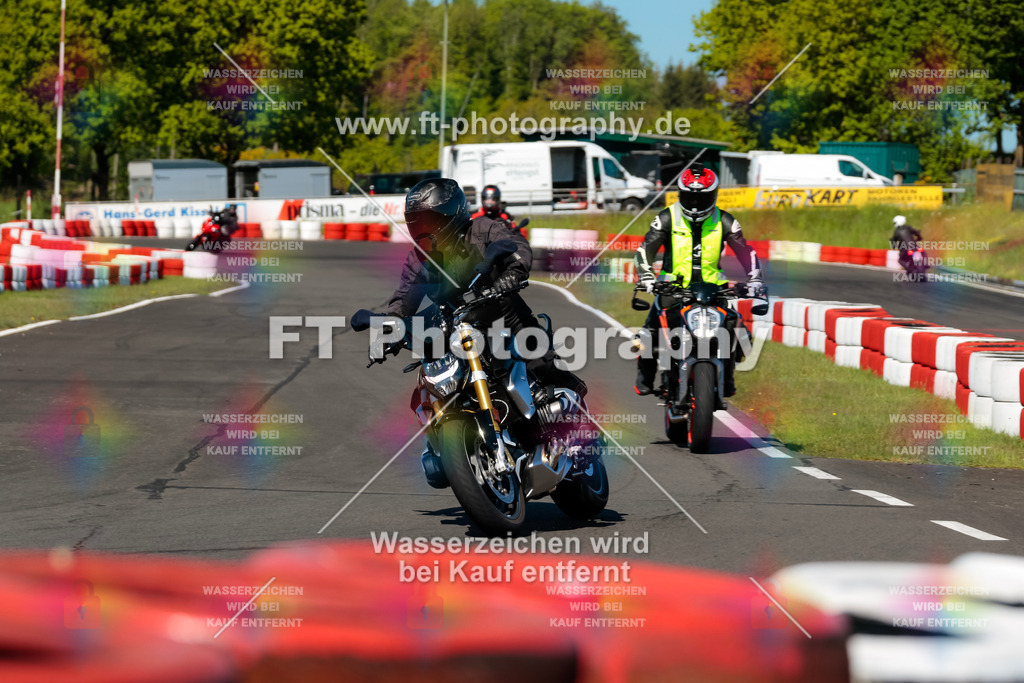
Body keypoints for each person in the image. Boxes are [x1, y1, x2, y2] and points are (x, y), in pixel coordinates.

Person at [383, 178, 586, 486]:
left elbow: (515, 246)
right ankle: (452, 443)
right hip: (456, 328)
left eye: (431, 220)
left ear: (452, 214)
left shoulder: (483, 229)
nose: (425, 228)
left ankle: (575, 425)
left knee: (540, 361)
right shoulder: (420, 257)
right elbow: (404, 298)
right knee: (430, 382)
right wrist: (391, 328)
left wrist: (513, 271)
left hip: (504, 315)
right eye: (418, 222)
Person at [633, 165, 764, 397]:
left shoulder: (725, 221)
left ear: (713, 196)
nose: (694, 203)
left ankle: (727, 376)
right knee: (649, 332)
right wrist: (647, 278)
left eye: (701, 198)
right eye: (689, 196)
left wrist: (755, 279)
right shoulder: (665, 218)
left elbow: (746, 252)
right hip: (672, 289)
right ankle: (645, 375)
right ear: (680, 194)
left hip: (714, 290)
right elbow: (645, 251)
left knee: (737, 329)